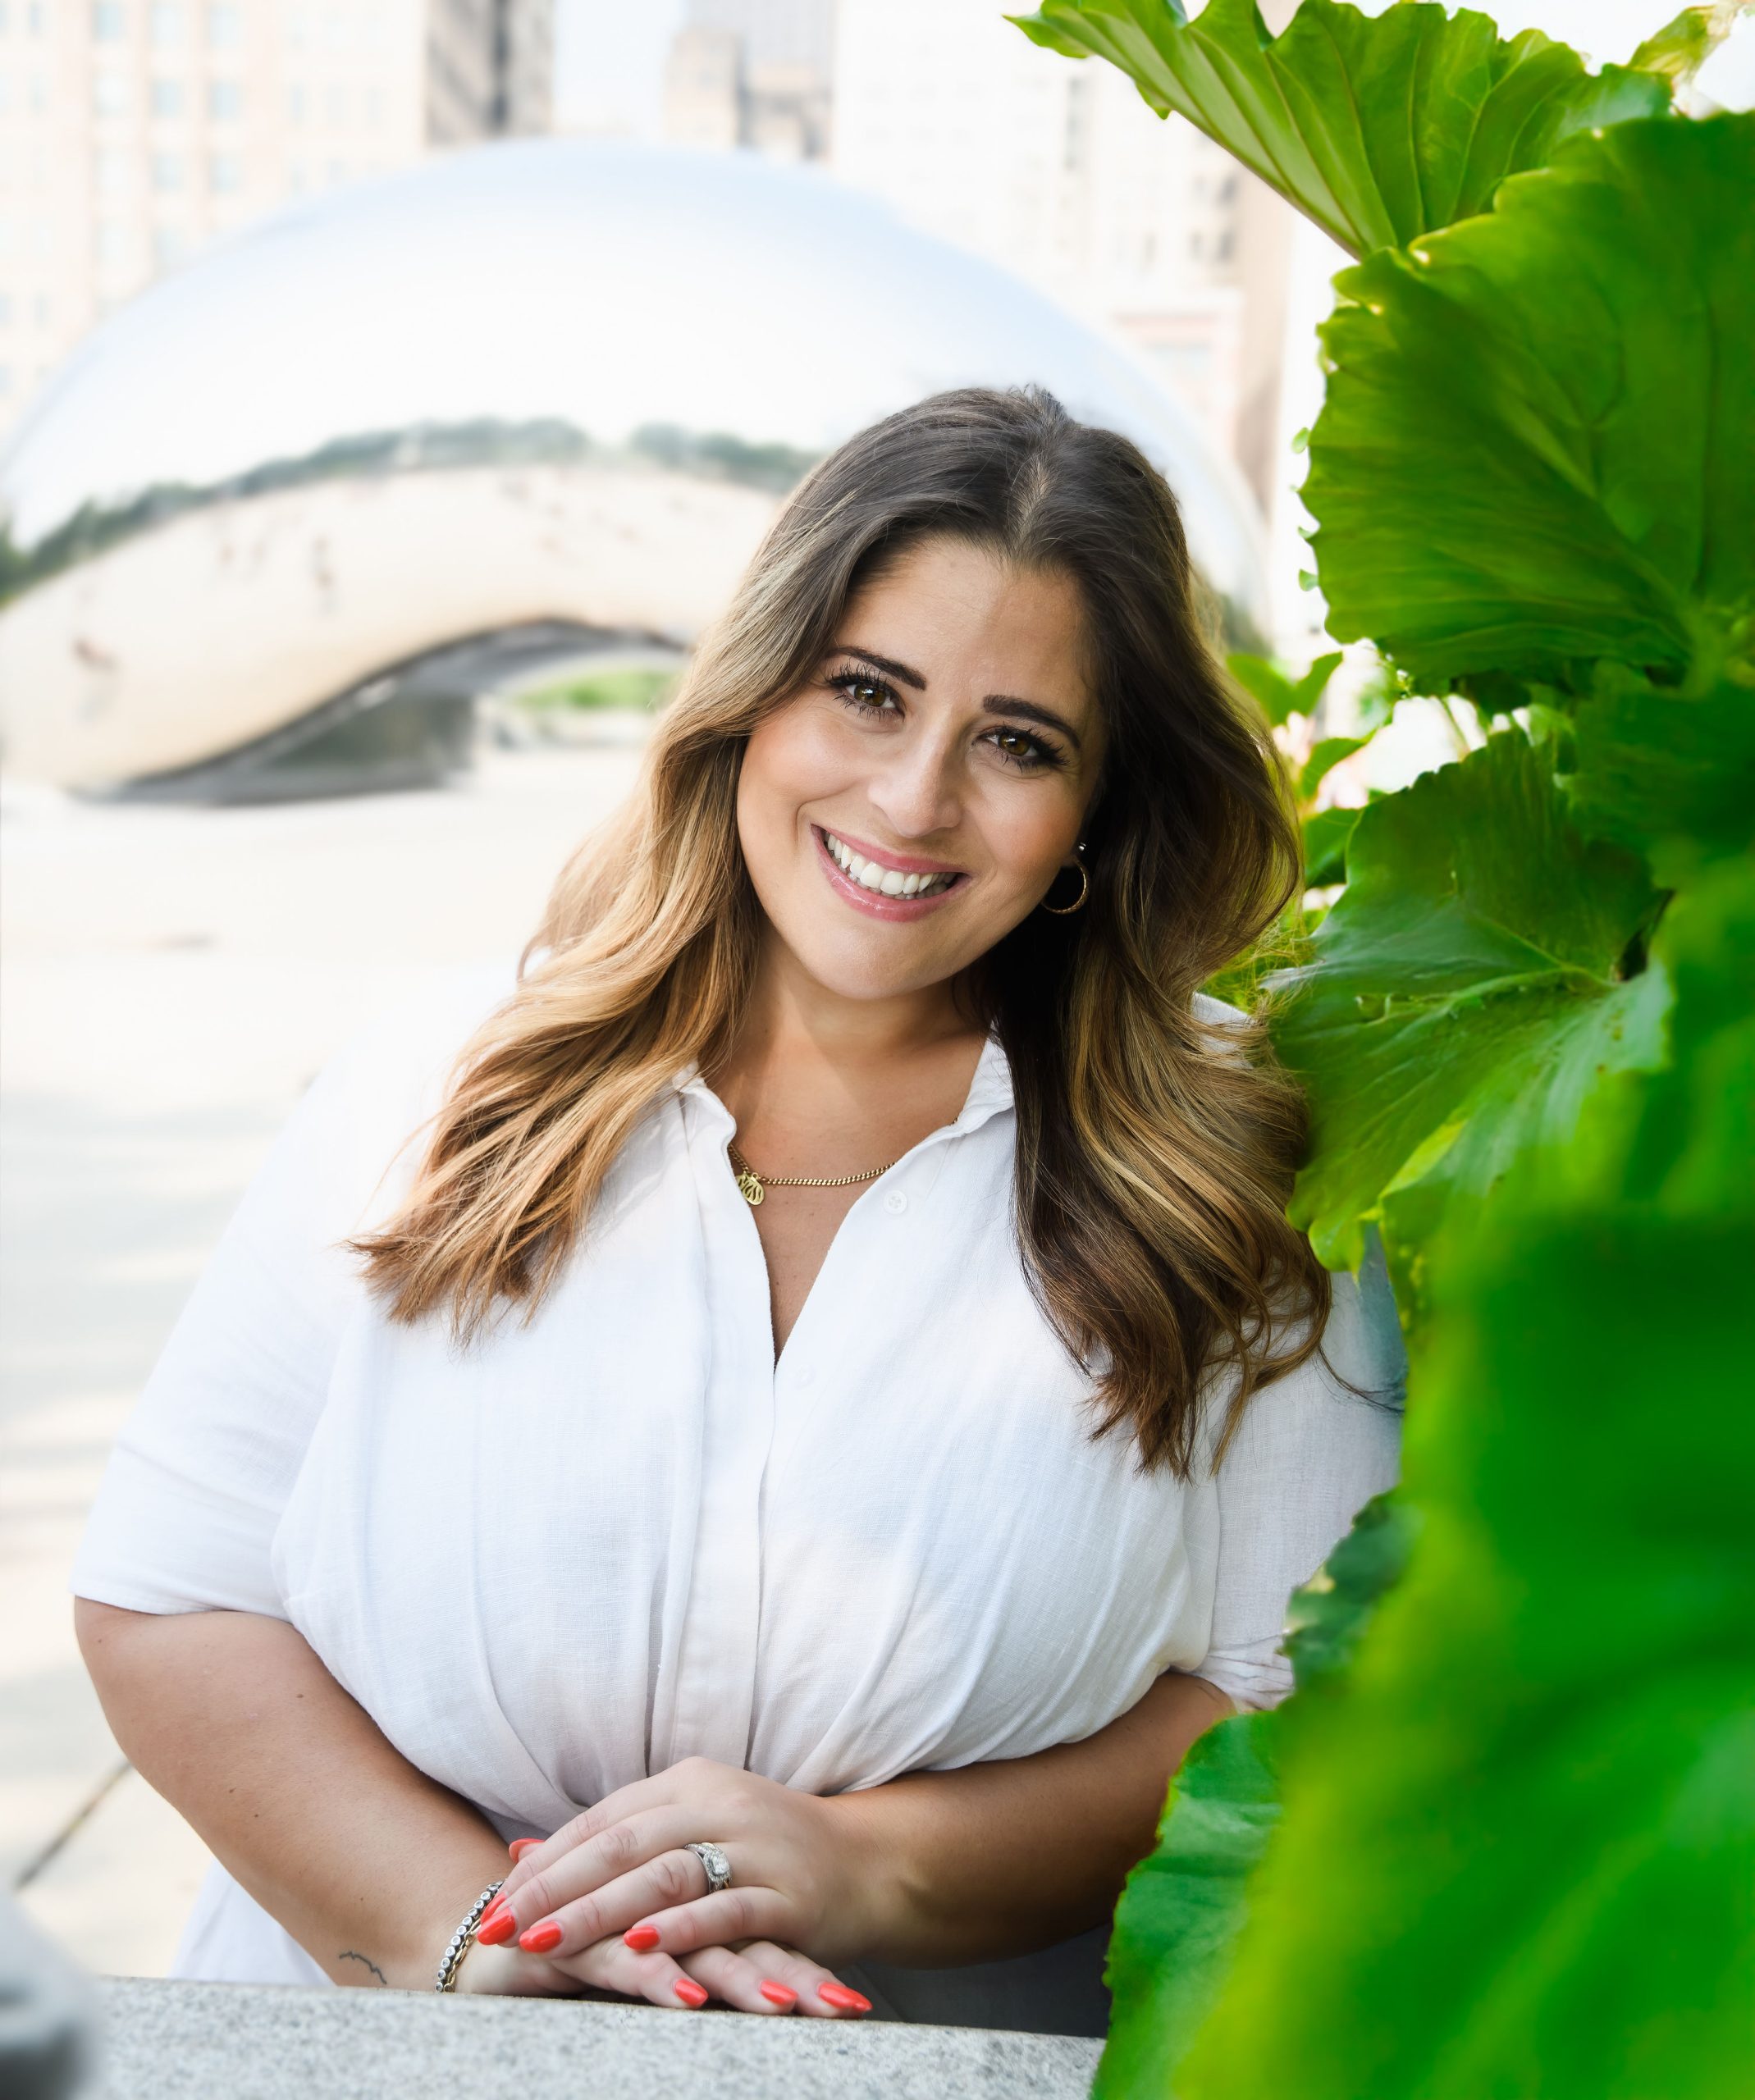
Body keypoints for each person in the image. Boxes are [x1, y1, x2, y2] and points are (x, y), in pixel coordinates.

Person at [71, 387, 1401, 2036]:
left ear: (1093, 815)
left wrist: (863, 1864)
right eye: (865, 691)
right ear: (752, 703)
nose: (914, 798)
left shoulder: (1231, 1163)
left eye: (1016, 741)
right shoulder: (429, 1082)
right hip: (396, 2035)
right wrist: (468, 1930)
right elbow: (175, 1593)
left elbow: (1283, 1693)